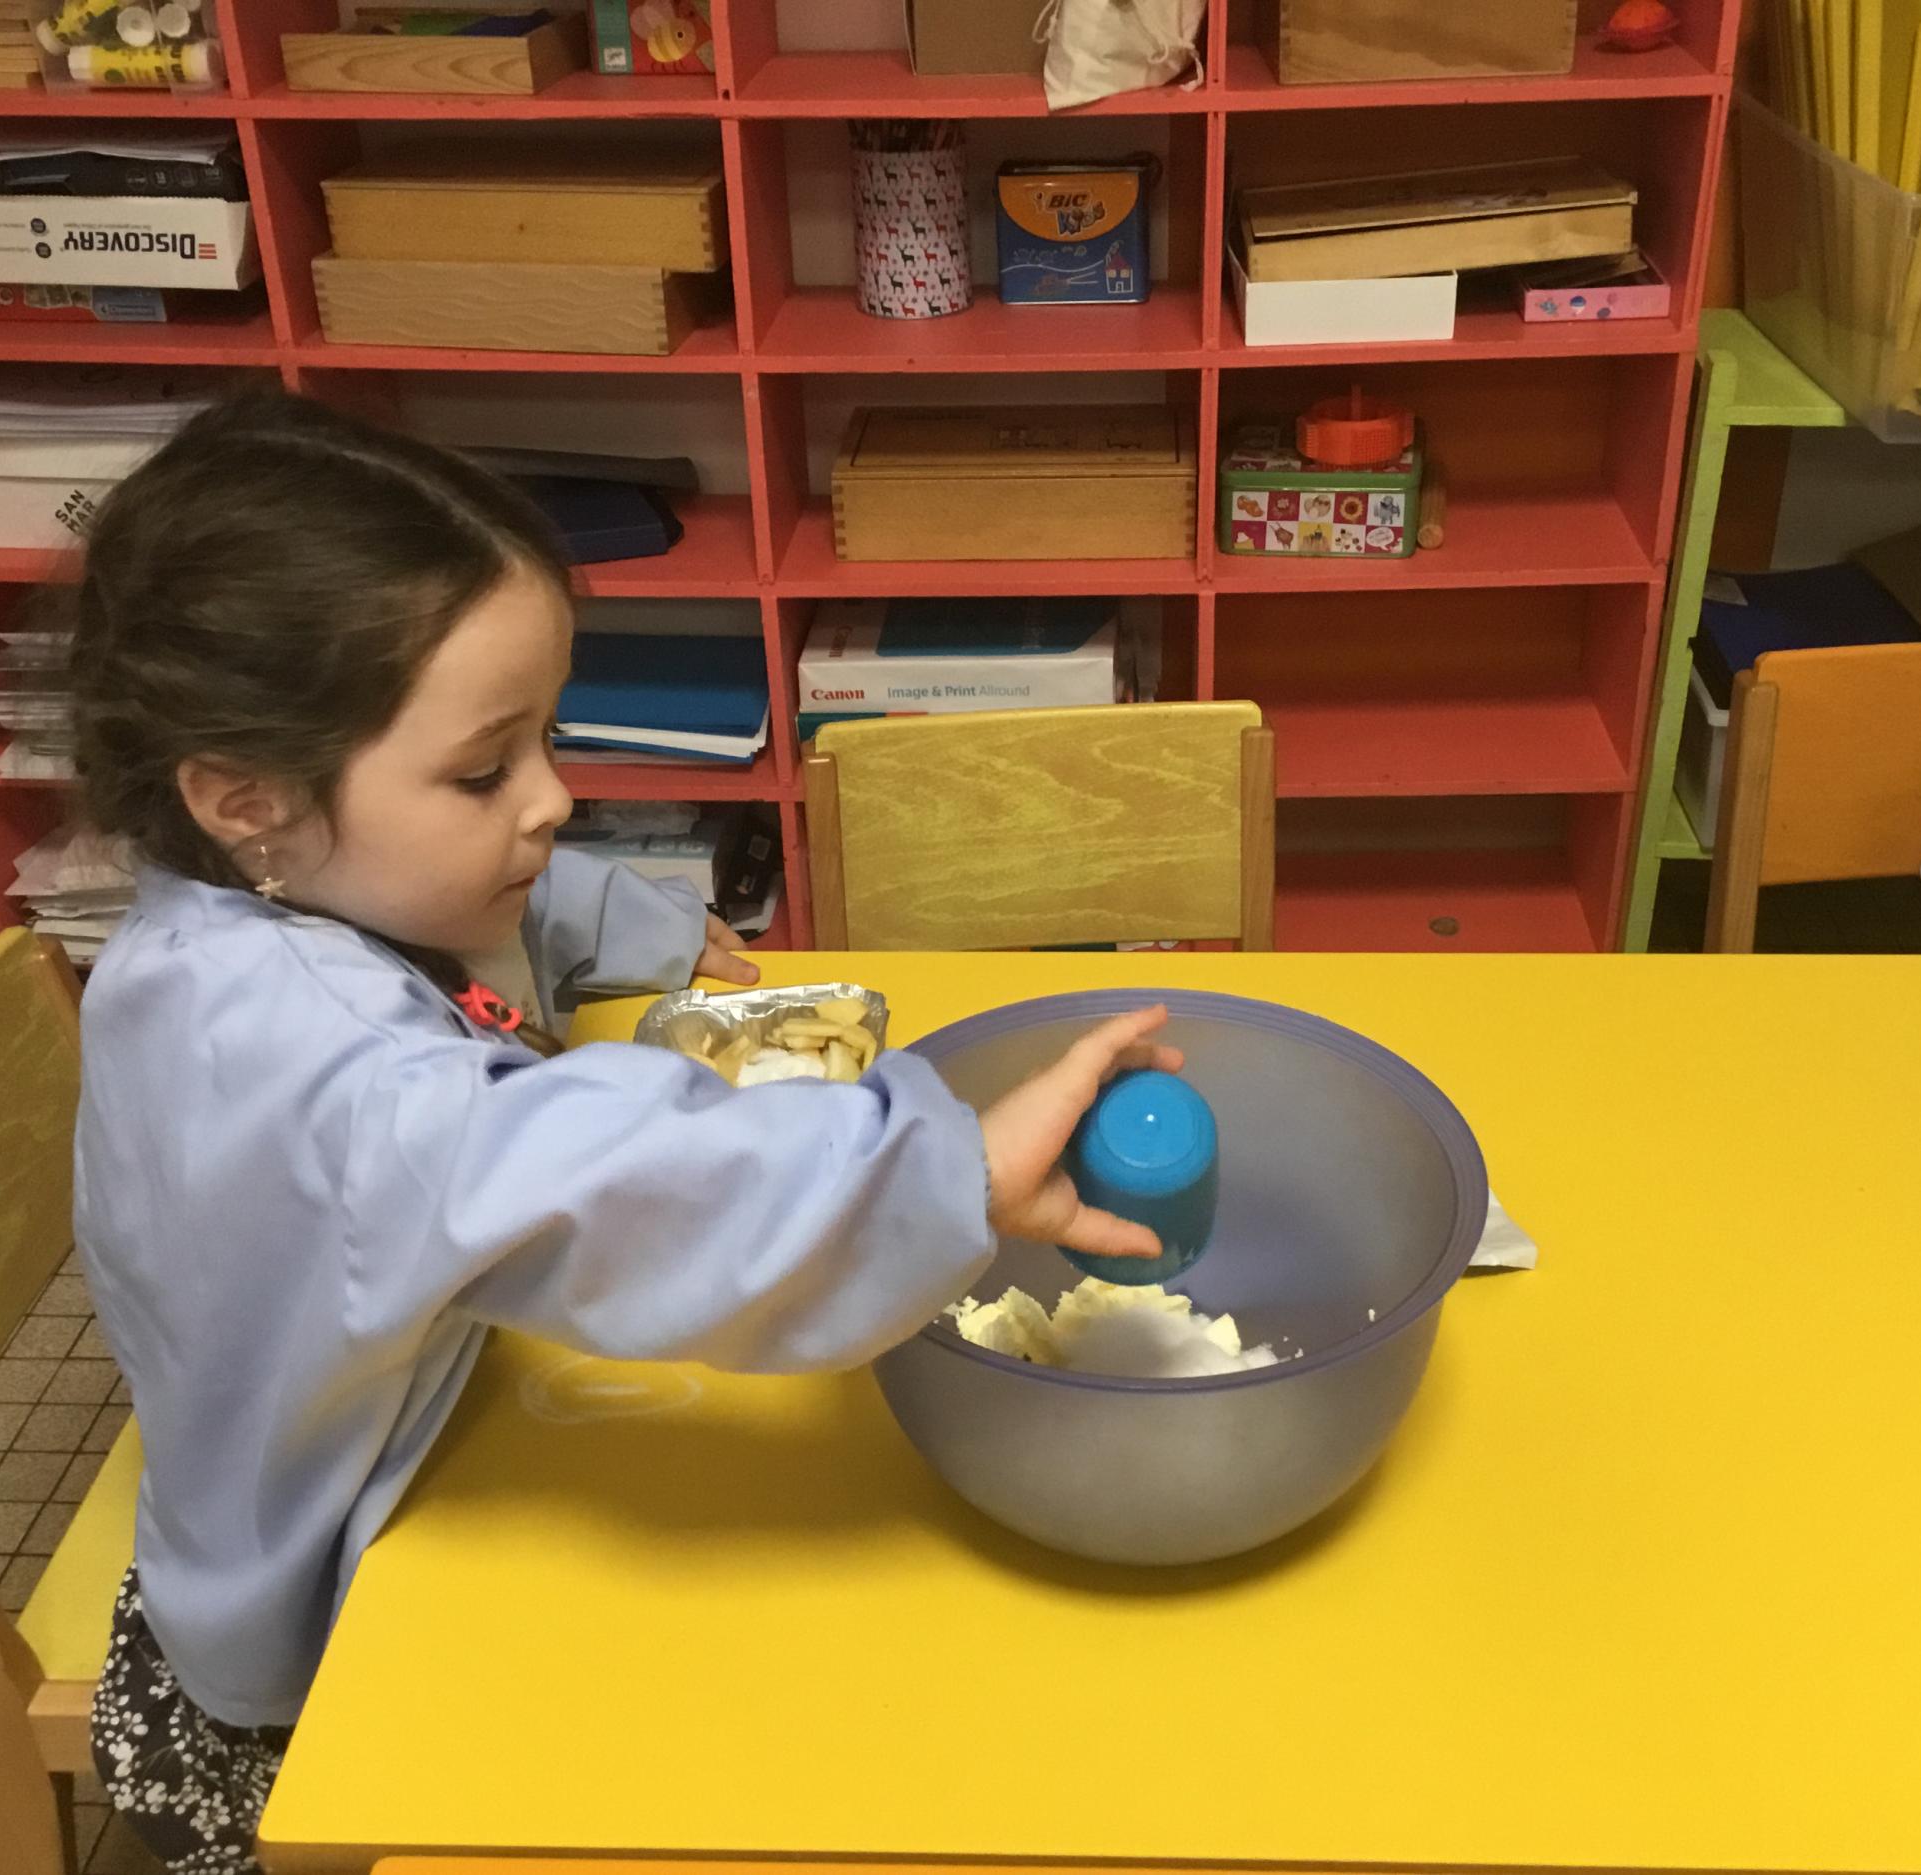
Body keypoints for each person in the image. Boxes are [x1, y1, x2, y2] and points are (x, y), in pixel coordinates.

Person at [63, 391, 1172, 1873]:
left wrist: (626, 919)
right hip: (309, 1649)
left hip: (312, 1462)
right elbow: (603, 1176)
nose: (553, 798)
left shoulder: (228, 908)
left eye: (547, 738)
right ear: (245, 797)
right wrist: (945, 1170)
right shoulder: (323, 1072)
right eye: (486, 771)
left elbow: (457, 936)